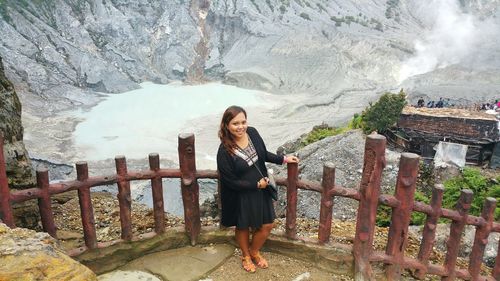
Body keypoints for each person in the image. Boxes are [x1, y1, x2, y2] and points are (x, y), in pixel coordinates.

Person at [216, 105, 299, 273]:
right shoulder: (224, 151)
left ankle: (254, 251)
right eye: (235, 123)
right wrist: (255, 185)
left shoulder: (252, 133)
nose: (240, 127)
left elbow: (263, 154)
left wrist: (283, 159)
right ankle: (246, 255)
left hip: (261, 190)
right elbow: (230, 181)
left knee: (267, 224)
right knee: (243, 226)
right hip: (241, 195)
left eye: (243, 122)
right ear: (226, 125)